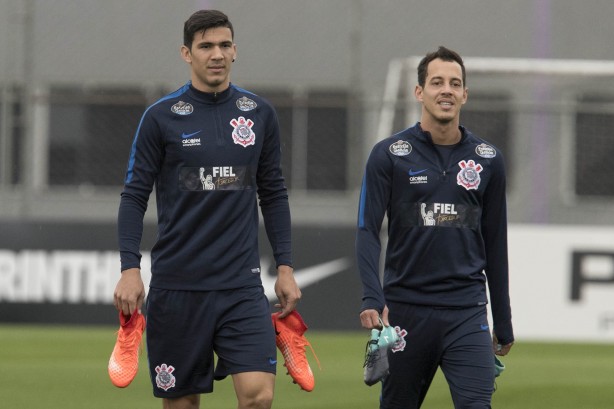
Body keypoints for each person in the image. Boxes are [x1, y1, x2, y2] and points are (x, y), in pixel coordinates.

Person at [112, 9, 301, 409]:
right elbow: (133, 196)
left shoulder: (259, 113)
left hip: (242, 287)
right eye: (206, 46)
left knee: (258, 398)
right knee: (182, 405)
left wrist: (285, 267)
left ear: (235, 51)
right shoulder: (160, 117)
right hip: (178, 288)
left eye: (224, 45)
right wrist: (130, 268)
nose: (216, 54)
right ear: (187, 53)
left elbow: (274, 193)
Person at [356, 46, 514, 408]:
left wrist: (502, 319)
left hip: (467, 311)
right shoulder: (388, 154)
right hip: (406, 311)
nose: (447, 90)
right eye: (437, 82)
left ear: (464, 94)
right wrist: (371, 296)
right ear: (419, 92)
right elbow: (367, 229)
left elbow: (496, 242)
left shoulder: (488, 160)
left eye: (455, 83)